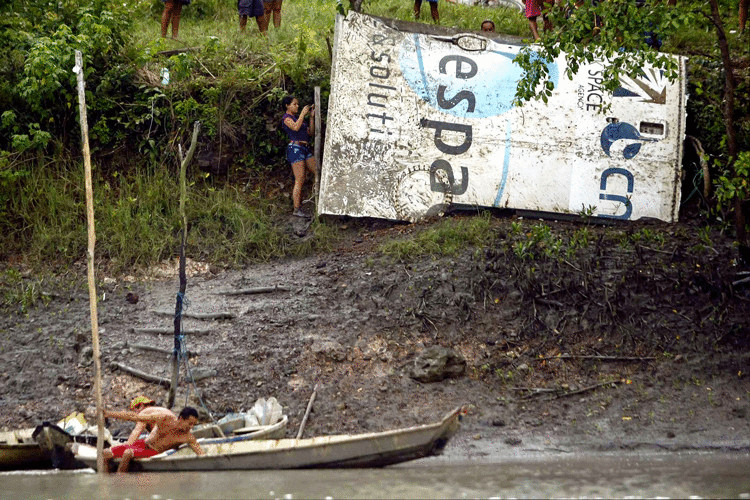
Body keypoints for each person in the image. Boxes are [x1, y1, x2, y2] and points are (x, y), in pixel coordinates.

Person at [101, 406, 203, 473]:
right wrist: (110, 414)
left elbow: (201, 454)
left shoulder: (188, 437)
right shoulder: (165, 418)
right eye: (190, 423)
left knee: (128, 453)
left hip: (153, 451)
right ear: (181, 419)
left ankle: (119, 482)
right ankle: (104, 482)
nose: (191, 427)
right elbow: (135, 417)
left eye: (193, 424)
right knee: (105, 453)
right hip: (142, 444)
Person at [281, 95, 317, 218]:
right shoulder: (286, 118)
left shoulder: (298, 118)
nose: (297, 106)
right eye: (294, 104)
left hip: (305, 148)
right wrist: (302, 113)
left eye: (297, 104)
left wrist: (311, 118)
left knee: (317, 172)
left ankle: (319, 200)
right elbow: (295, 127)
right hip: (295, 149)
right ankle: (297, 209)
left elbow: (311, 133)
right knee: (300, 178)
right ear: (287, 106)